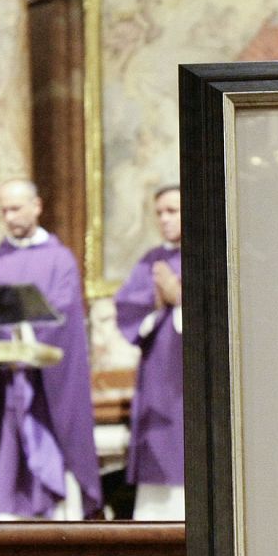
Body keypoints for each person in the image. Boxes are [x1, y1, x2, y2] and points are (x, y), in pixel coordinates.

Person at [0, 179, 102, 520]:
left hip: (45, 384)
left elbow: (63, 313)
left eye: (16, 208)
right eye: (4, 210)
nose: (9, 217)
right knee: (5, 455)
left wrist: (22, 335)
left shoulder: (59, 259)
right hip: (4, 383)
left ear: (37, 206)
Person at [113, 184, 184, 520]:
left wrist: (180, 297)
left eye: (173, 211)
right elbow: (128, 308)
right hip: (158, 370)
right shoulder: (151, 260)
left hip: (191, 374)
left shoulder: (213, 254)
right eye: (159, 213)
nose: (164, 219)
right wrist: (157, 304)